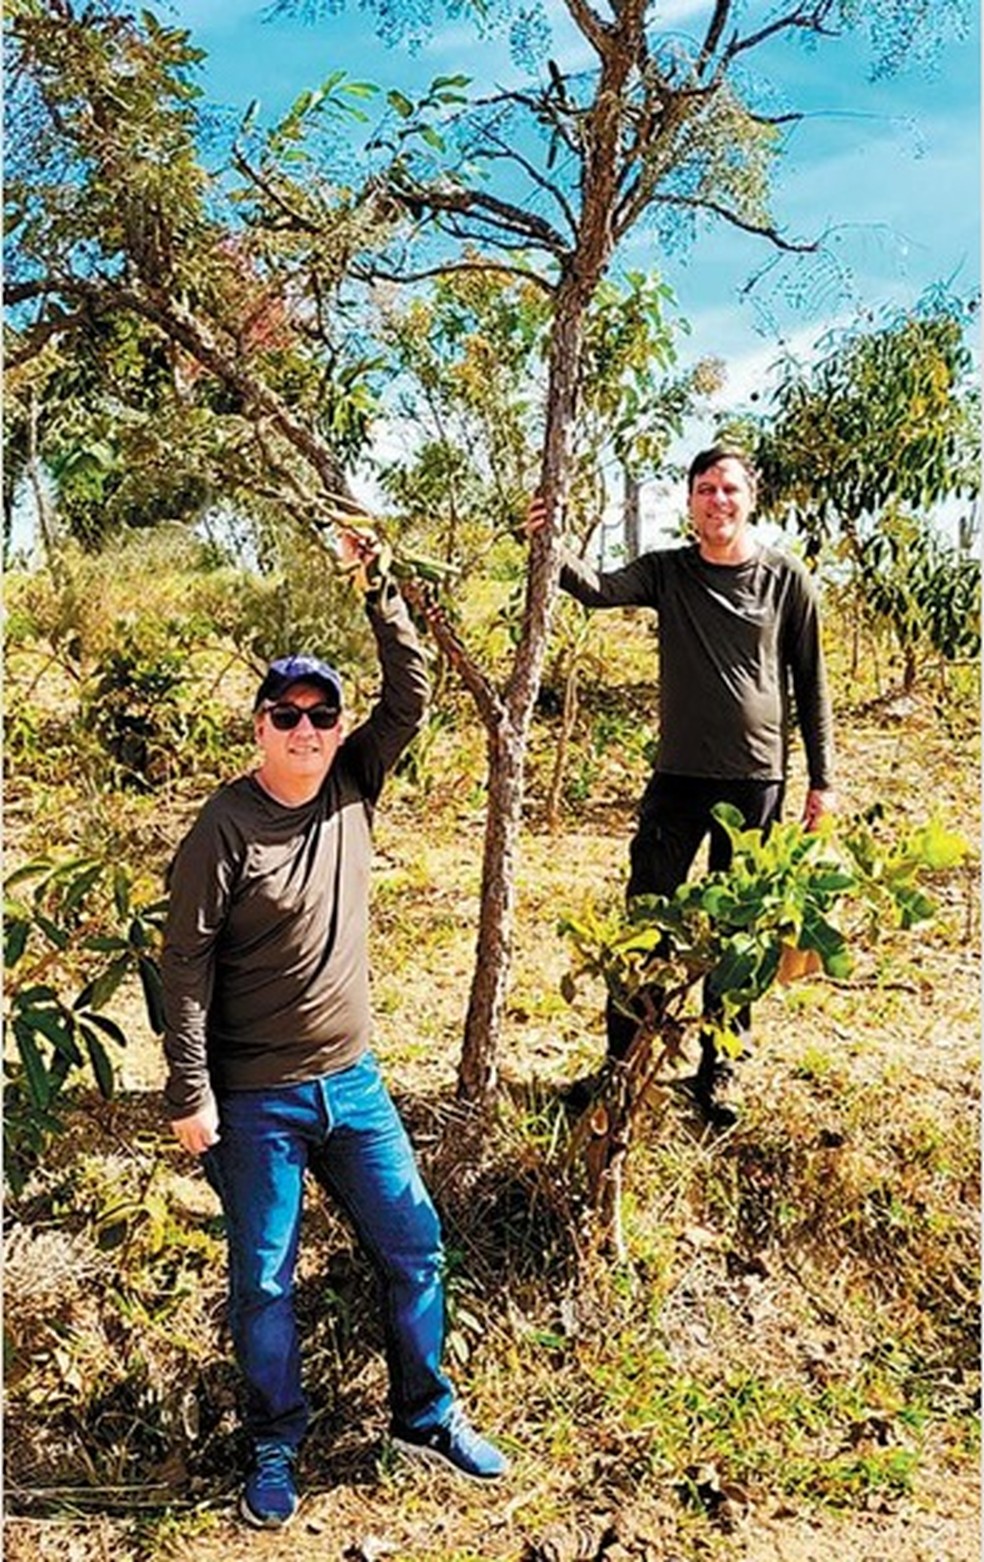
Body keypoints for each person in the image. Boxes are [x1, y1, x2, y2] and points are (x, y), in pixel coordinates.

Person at [161, 528, 508, 1531]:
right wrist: (190, 1090)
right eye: (287, 715)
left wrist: (378, 585)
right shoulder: (223, 828)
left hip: (354, 1083)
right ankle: (274, 1443)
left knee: (415, 1244)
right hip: (256, 1099)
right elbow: (184, 967)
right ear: (259, 727)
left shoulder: (355, 781)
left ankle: (425, 1416)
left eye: (321, 714)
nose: (306, 730)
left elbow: (413, 694)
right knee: (264, 1280)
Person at [528, 447, 836, 1126]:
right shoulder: (668, 571)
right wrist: (551, 542)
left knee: (738, 929)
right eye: (704, 489)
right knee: (647, 920)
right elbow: (597, 589)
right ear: (690, 501)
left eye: (729, 488)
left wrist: (824, 781)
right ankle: (624, 1064)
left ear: (751, 498)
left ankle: (720, 1067)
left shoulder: (787, 579)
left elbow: (812, 683)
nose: (717, 500)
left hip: (757, 782)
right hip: (677, 780)